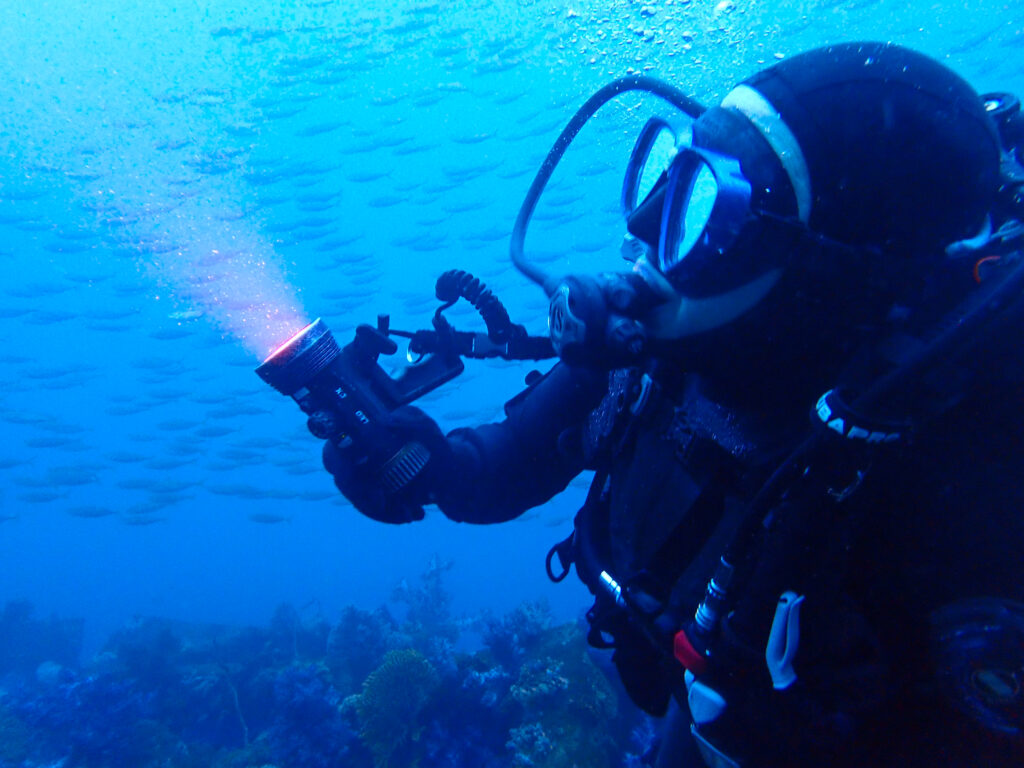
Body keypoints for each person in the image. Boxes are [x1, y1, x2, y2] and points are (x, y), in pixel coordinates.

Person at [322, 42, 1024, 766]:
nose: (643, 233)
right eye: (667, 175)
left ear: (825, 273)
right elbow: (512, 462)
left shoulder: (975, 492)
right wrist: (433, 465)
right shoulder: (665, 357)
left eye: (700, 204)